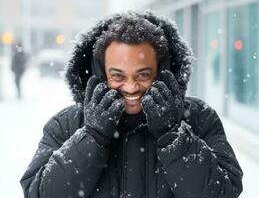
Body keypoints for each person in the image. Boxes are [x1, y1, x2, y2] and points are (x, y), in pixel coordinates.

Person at [20, 11, 243, 198]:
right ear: (100, 73)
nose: (130, 87)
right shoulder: (67, 124)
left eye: (143, 74)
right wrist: (92, 137)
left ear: (162, 72)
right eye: (117, 75)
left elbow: (225, 192)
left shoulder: (200, 119)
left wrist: (172, 135)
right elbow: (38, 193)